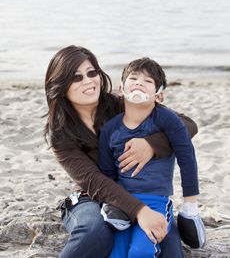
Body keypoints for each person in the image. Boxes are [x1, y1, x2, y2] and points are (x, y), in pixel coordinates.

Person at [44, 45, 198, 258]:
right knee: (94, 231)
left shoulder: (120, 104)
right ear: (61, 85)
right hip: (91, 195)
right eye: (77, 77)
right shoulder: (60, 133)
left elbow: (188, 125)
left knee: (167, 243)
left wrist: (151, 144)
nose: (88, 81)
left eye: (92, 73)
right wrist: (140, 212)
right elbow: (94, 180)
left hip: (139, 190)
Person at [99, 57, 201, 257]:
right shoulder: (110, 128)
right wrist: (110, 203)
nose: (139, 83)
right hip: (122, 202)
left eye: (148, 81)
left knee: (141, 251)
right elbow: (107, 172)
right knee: (117, 252)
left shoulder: (168, 120)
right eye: (134, 78)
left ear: (159, 95)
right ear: (121, 89)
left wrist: (190, 204)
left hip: (155, 201)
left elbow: (187, 158)